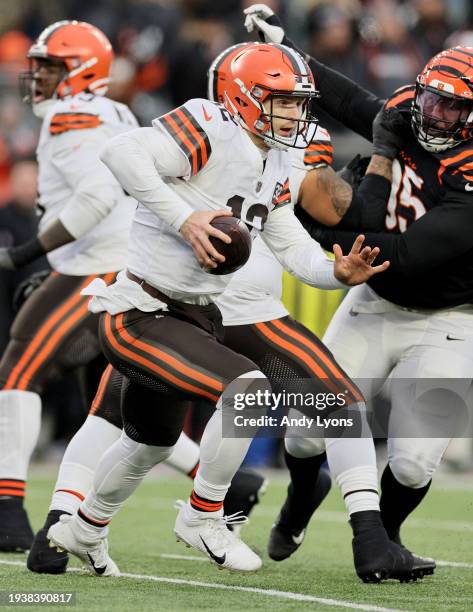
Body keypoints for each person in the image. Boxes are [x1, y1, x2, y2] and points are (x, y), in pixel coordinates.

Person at [45, 41, 398, 582]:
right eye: (283, 101)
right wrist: (185, 218)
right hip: (139, 309)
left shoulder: (279, 158)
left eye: (299, 102)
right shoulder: (211, 123)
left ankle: (84, 527)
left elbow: (290, 244)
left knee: (147, 445)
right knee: (250, 391)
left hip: (195, 315)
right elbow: (120, 154)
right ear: (245, 97)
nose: (295, 113)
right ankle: (204, 514)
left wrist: (335, 272)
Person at [244, 3, 473, 561]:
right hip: (374, 299)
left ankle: (384, 539)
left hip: (451, 316)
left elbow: (406, 254)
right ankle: (301, 500)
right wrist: (285, 52)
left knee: (415, 461)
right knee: (303, 431)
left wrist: (315, 234)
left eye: (451, 108)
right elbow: (349, 99)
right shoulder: (405, 110)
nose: (433, 113)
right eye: (429, 98)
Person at [0, 20, 138, 553]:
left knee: (18, 369)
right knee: (111, 404)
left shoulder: (71, 114)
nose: (37, 76)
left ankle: (8, 509)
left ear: (80, 71)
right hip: (117, 260)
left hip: (97, 265)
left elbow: (98, 195)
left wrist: (25, 253)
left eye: (50, 67)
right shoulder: (116, 111)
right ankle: (224, 480)